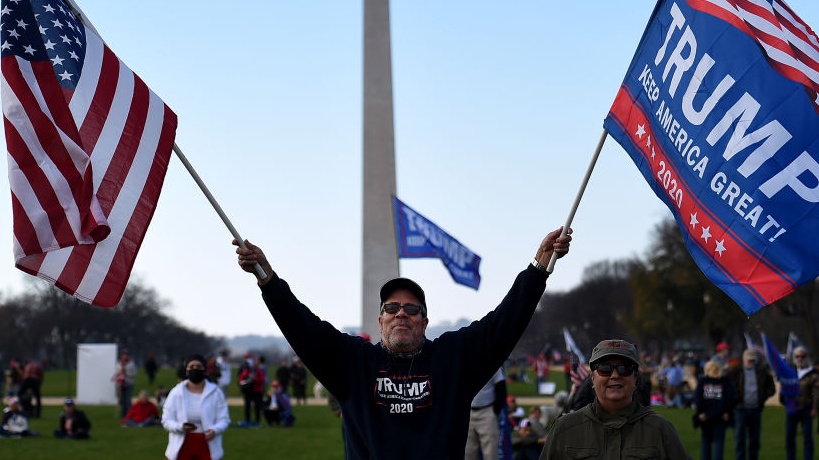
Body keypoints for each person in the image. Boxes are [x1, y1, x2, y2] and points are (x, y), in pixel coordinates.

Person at [234, 227, 571, 458]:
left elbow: (505, 322)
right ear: (380, 319)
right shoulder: (352, 363)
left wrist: (539, 267)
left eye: (412, 309)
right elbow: (302, 326)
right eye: (391, 308)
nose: (401, 315)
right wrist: (267, 278)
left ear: (424, 321)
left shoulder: (452, 360)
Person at [540, 339, 690, 460]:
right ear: (592, 378)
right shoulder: (564, 429)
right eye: (605, 368)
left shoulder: (660, 430)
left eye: (625, 368)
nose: (615, 375)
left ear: (635, 379)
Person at [162, 354, 230, 460]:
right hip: (182, 443)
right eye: (192, 367)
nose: (195, 369)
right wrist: (180, 426)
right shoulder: (176, 393)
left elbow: (224, 419)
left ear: (204, 370)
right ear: (186, 370)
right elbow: (166, 420)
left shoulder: (216, 392)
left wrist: (215, 430)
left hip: (208, 443)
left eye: (198, 366)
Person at [728, 348, 776, 460]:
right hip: (740, 409)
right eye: (749, 360)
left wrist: (763, 397)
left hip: (755, 409)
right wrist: (736, 399)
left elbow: (771, 388)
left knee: (754, 440)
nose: (751, 362)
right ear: (744, 359)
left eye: (753, 360)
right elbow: (729, 387)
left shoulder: (762, 372)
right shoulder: (735, 372)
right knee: (739, 439)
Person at [694, 360, 735, 460]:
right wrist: (726, 412)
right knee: (717, 444)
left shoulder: (704, 381)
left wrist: (701, 412)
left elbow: (698, 398)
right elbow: (730, 398)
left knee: (707, 445)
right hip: (718, 417)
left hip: (710, 417)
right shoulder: (724, 381)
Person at [465, 367, 507, 460]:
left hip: (487, 411)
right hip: (469, 413)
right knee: (468, 453)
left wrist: (494, 411)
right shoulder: (465, 362)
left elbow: (501, 388)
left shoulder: (493, 363)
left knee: (491, 453)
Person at [786, 346, 819, 460]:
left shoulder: (813, 373)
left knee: (807, 438)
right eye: (797, 356)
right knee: (790, 438)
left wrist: (815, 408)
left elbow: (816, 392)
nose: (800, 358)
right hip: (792, 409)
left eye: (802, 356)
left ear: (806, 357)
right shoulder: (790, 372)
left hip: (806, 408)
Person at [237, 355, 265, 427]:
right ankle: (247, 420)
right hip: (248, 391)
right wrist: (245, 381)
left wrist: (254, 378)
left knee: (257, 407)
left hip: (257, 391)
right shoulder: (247, 371)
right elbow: (241, 379)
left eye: (255, 364)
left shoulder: (259, 371)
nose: (254, 365)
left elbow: (262, 380)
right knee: (247, 407)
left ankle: (257, 422)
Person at [114, 349, 137, 418]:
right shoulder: (118, 363)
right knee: (122, 400)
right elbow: (116, 373)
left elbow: (134, 374)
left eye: (126, 355)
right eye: (124, 355)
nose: (125, 356)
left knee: (128, 400)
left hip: (129, 383)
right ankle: (123, 415)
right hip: (121, 384)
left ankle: (130, 414)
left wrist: (126, 373)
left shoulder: (131, 364)